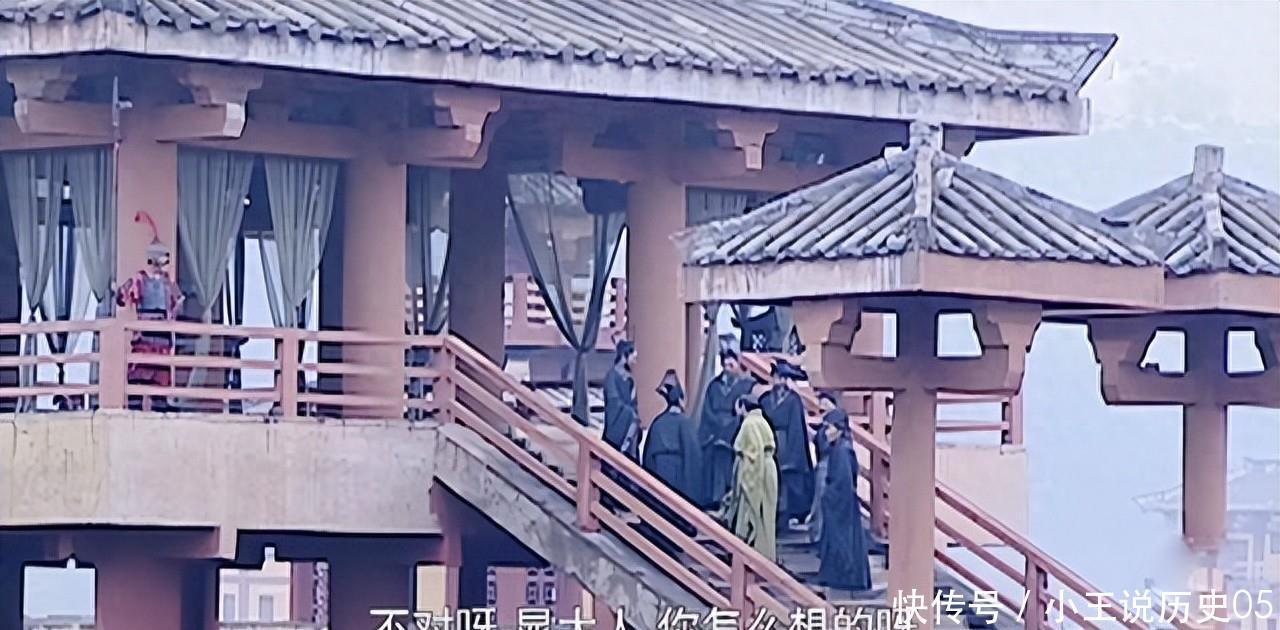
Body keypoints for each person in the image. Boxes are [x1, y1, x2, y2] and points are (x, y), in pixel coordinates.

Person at [115, 212, 184, 411]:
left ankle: (160, 408)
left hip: (161, 334)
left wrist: (173, 313)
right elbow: (121, 297)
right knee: (138, 375)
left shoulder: (168, 283)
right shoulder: (139, 279)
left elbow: (179, 301)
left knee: (160, 377)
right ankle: (134, 407)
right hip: (145, 332)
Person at [815, 419, 872, 591]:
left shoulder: (842, 451)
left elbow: (843, 481)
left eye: (830, 427)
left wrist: (828, 495)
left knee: (842, 542)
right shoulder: (840, 449)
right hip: (841, 502)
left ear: (839, 429)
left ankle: (844, 577)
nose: (826, 432)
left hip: (841, 503)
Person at [758, 359, 814, 528]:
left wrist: (793, 456)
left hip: (786, 441)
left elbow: (797, 428)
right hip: (768, 439)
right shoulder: (765, 400)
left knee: (785, 482)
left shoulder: (793, 400)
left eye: (783, 378)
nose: (779, 381)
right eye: (777, 377)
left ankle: (784, 517)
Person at [722, 395, 778, 561]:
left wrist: (749, 482)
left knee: (753, 514)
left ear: (742, 406)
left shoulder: (750, 423)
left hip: (757, 470)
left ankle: (755, 558)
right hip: (766, 468)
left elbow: (754, 454)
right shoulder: (761, 421)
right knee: (765, 516)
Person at [698, 350, 751, 508]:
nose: (728, 368)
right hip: (714, 433)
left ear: (737, 364)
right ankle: (715, 500)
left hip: (735, 431)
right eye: (725, 365)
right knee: (715, 468)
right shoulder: (714, 386)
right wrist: (717, 426)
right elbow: (707, 410)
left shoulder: (746, 386)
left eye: (731, 365)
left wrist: (732, 424)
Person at [643, 370, 702, 501]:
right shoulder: (685, 423)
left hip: (659, 469)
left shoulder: (658, 423)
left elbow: (648, 457)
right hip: (679, 471)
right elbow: (694, 456)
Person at [804, 390, 847, 543]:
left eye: (825, 405)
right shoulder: (825, 426)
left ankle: (821, 535)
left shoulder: (837, 424)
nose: (822, 408)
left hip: (831, 466)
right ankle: (817, 533)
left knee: (825, 501)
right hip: (823, 464)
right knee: (819, 502)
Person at [602, 340, 640, 460]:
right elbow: (613, 401)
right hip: (618, 420)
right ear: (624, 355)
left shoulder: (629, 377)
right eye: (633, 356)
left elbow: (634, 403)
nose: (634, 360)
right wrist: (629, 414)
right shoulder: (611, 376)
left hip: (631, 422)